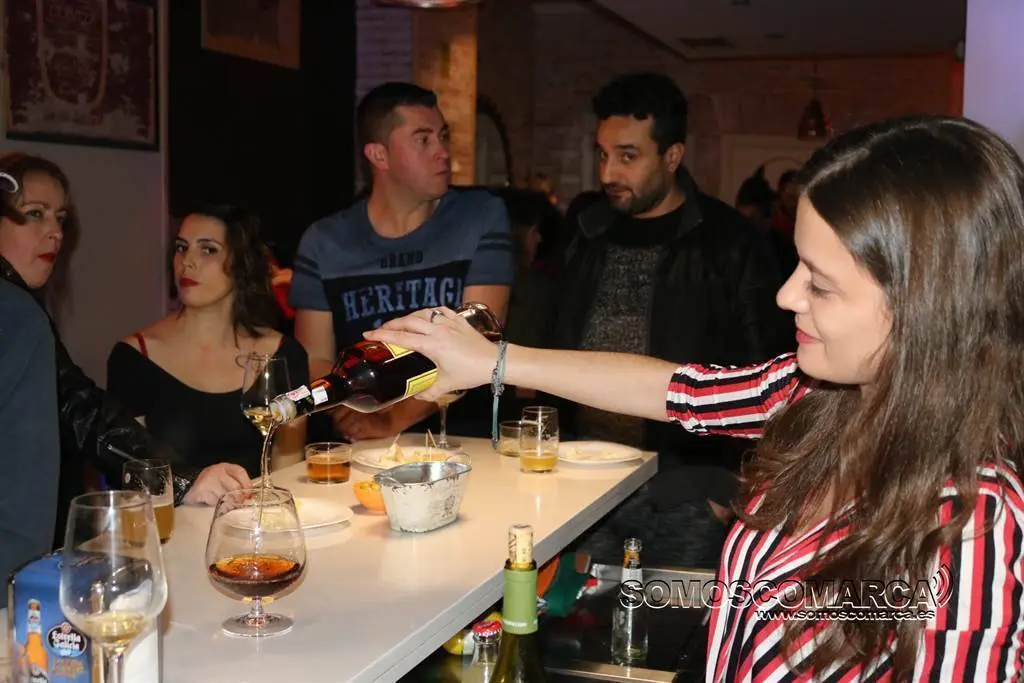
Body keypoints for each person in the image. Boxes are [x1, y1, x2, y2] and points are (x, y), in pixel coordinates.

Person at [367, 115, 1024, 680]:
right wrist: (493, 361)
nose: (787, 295)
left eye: (820, 284)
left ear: (925, 307)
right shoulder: (814, 396)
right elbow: (678, 390)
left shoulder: (975, 524)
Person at [551, 72, 793, 567]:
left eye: (628, 156)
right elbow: (555, 347)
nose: (608, 172)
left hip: (685, 490)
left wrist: (726, 489)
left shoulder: (730, 242)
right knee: (578, 614)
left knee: (676, 613)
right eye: (603, 154)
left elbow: (768, 370)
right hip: (583, 483)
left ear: (673, 156)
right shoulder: (585, 233)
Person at [0, 153, 249, 545]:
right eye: (34, 214)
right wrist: (180, 480)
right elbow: (81, 410)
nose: (55, 233)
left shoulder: (19, 309)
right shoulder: (16, 314)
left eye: (60, 218)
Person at [290, 81, 515, 442]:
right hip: (362, 445)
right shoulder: (325, 241)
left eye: (443, 136)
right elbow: (315, 358)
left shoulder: (480, 217)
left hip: (463, 436)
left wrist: (393, 418)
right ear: (379, 156)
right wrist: (354, 410)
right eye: (423, 139)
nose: (443, 152)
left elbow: (481, 338)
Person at [107, 203, 309, 480]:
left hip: (258, 507)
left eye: (208, 250)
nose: (187, 262)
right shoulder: (133, 357)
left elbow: (287, 472)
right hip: (172, 509)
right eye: (181, 248)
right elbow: (134, 477)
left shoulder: (286, 355)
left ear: (242, 263)